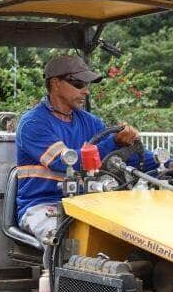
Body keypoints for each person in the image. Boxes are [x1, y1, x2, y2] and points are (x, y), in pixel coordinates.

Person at [15, 54, 156, 250]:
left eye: (87, 85)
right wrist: (114, 142)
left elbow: (120, 158)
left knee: (140, 231)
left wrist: (164, 161)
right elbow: (66, 162)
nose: (86, 91)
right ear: (55, 83)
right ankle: (54, 279)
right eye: (79, 84)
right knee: (61, 240)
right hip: (44, 205)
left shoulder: (91, 122)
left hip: (88, 202)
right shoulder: (33, 123)